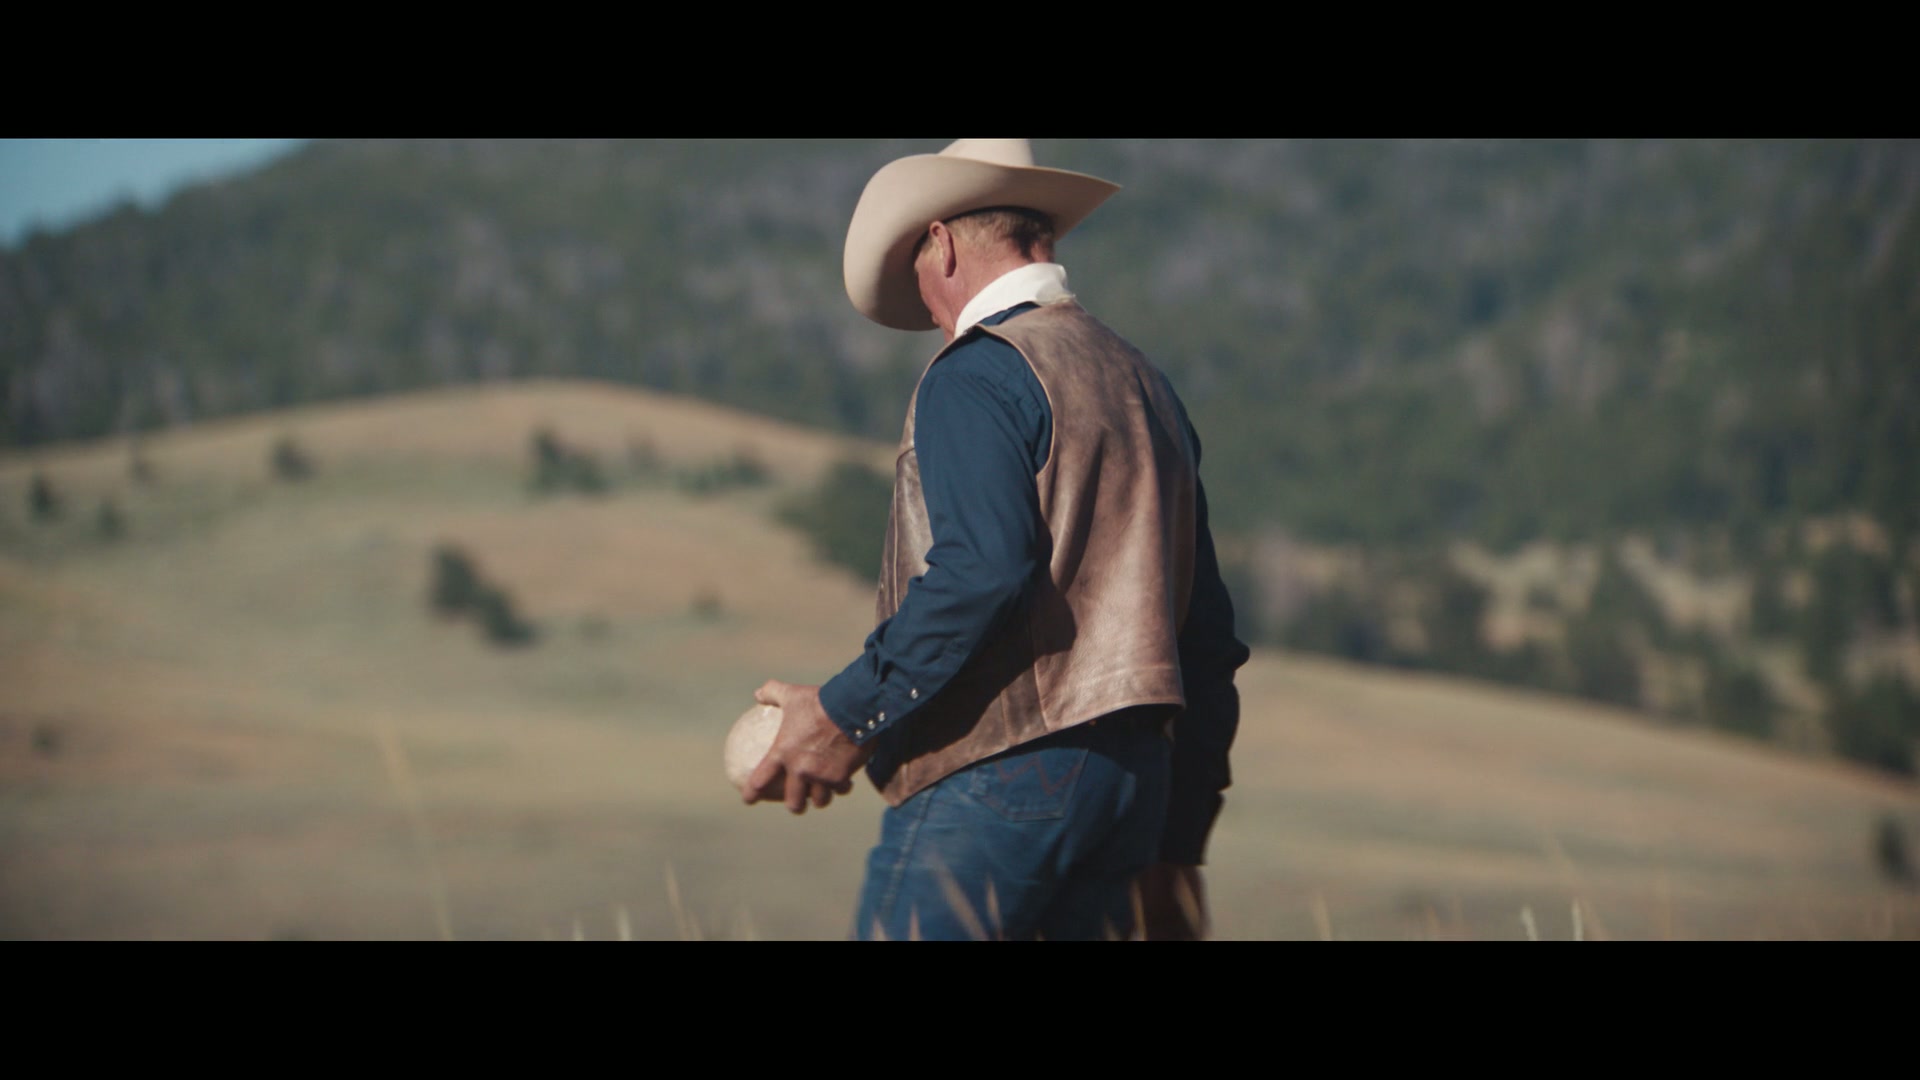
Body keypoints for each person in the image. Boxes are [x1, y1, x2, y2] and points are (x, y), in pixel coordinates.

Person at [744, 139, 1249, 941]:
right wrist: (1179, 838)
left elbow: (981, 571)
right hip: (1135, 787)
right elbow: (1207, 636)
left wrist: (843, 714)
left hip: (1001, 773)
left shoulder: (975, 374)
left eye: (918, 275)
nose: (928, 311)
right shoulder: (1145, 385)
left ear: (942, 244)